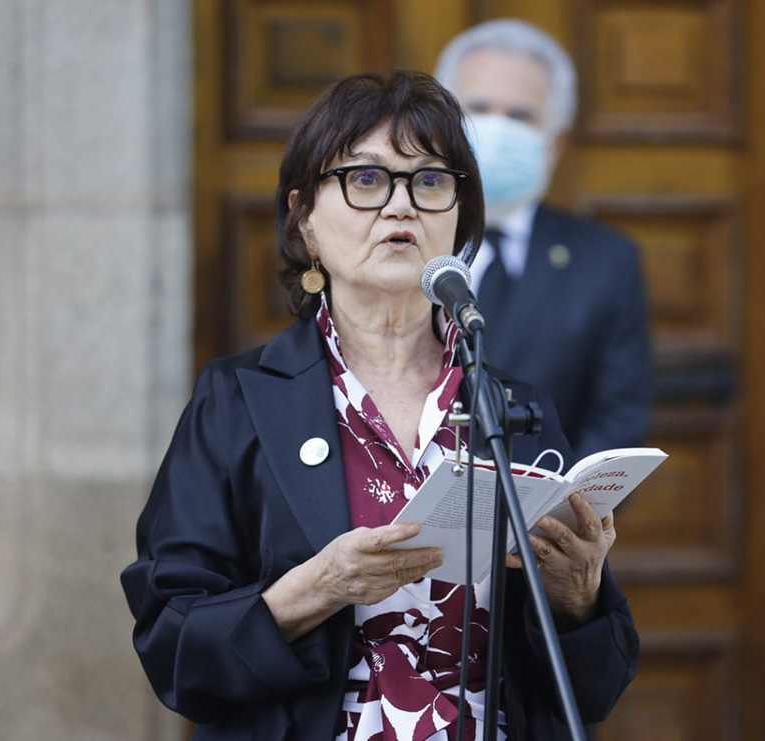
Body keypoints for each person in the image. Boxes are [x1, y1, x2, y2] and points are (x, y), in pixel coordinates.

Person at [120, 69, 638, 741]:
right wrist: (320, 586)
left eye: (429, 181)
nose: (401, 206)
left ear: (458, 220)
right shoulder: (237, 401)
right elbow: (174, 650)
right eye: (365, 180)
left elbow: (595, 691)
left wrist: (579, 598)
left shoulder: (512, 407)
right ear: (304, 220)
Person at [434, 19, 654, 459]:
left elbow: (618, 420)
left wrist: (555, 519)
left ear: (554, 142)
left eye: (520, 116)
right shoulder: (393, 239)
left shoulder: (606, 262)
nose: (494, 130)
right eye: (476, 108)